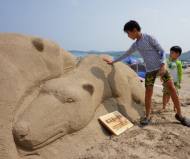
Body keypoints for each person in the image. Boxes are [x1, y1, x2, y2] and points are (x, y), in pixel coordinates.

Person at [103, 20, 190, 126]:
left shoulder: (149, 37)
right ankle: (148, 116)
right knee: (148, 94)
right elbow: (126, 54)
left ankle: (180, 115)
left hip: (160, 67)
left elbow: (162, 51)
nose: (128, 36)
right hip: (149, 71)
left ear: (134, 30)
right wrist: (113, 61)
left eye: (128, 33)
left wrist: (163, 65)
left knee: (172, 89)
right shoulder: (136, 45)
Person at [162, 46, 183, 111]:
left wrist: (179, 81)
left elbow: (180, 73)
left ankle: (175, 107)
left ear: (178, 54)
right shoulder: (167, 61)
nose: (170, 54)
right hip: (167, 80)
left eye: (172, 52)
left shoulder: (178, 63)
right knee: (165, 94)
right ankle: (164, 106)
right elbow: (164, 70)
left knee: (175, 95)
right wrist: (162, 77)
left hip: (175, 82)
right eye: (170, 52)